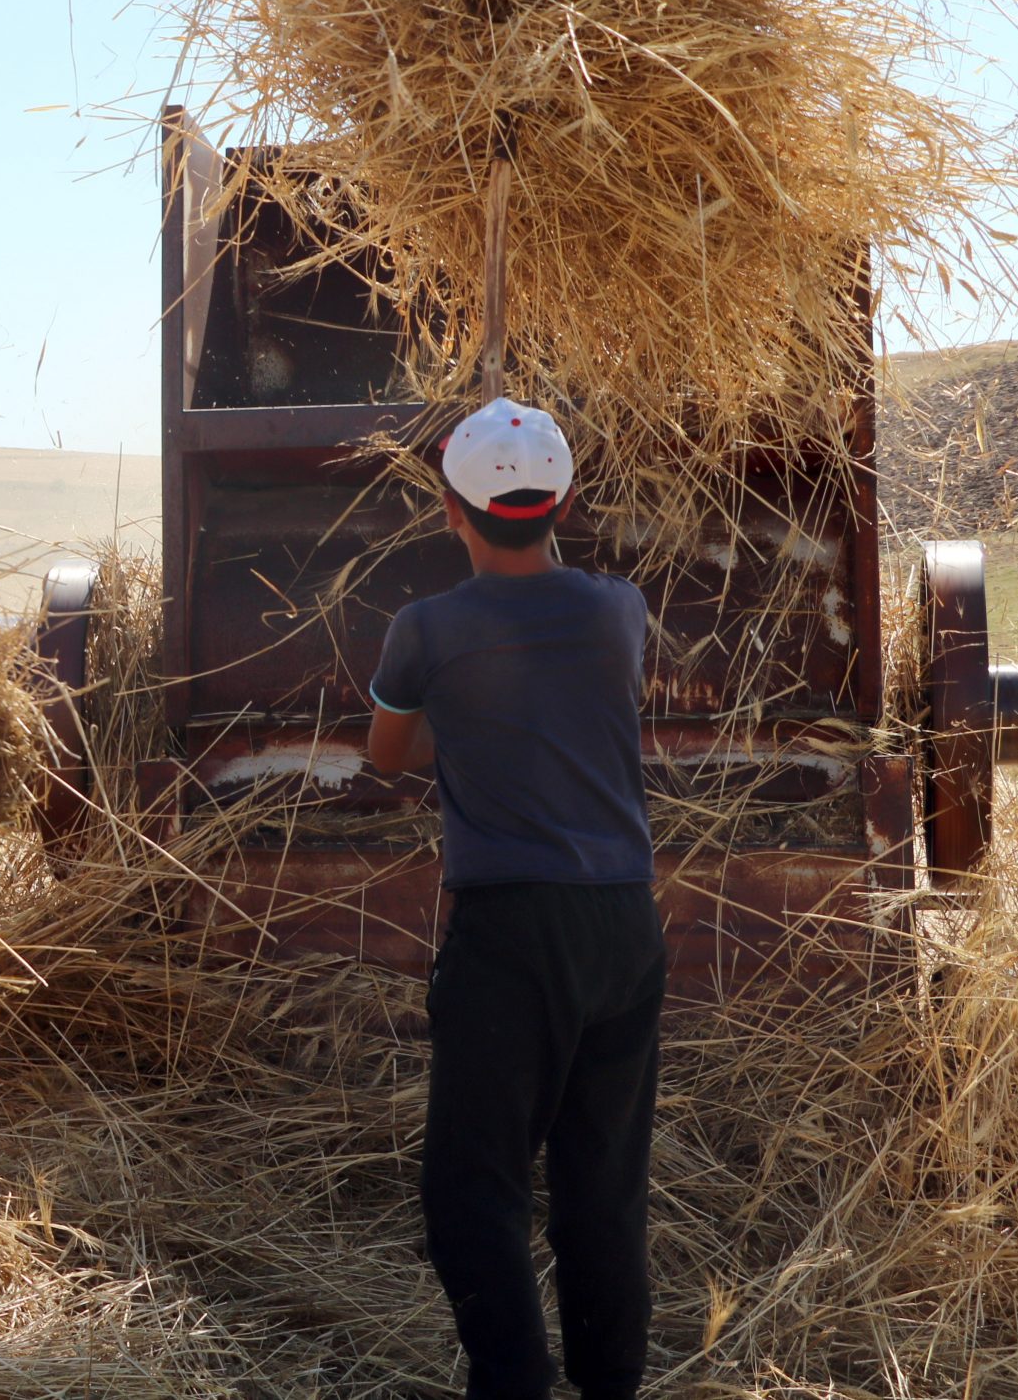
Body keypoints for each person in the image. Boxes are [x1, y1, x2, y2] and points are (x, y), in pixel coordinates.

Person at [364, 397, 666, 1400]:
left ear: (451, 511)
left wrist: (468, 717)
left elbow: (390, 754)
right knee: (601, 1187)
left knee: (472, 1188)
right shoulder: (619, 610)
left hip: (509, 936)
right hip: (624, 925)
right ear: (564, 503)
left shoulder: (424, 630)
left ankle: (514, 1385)